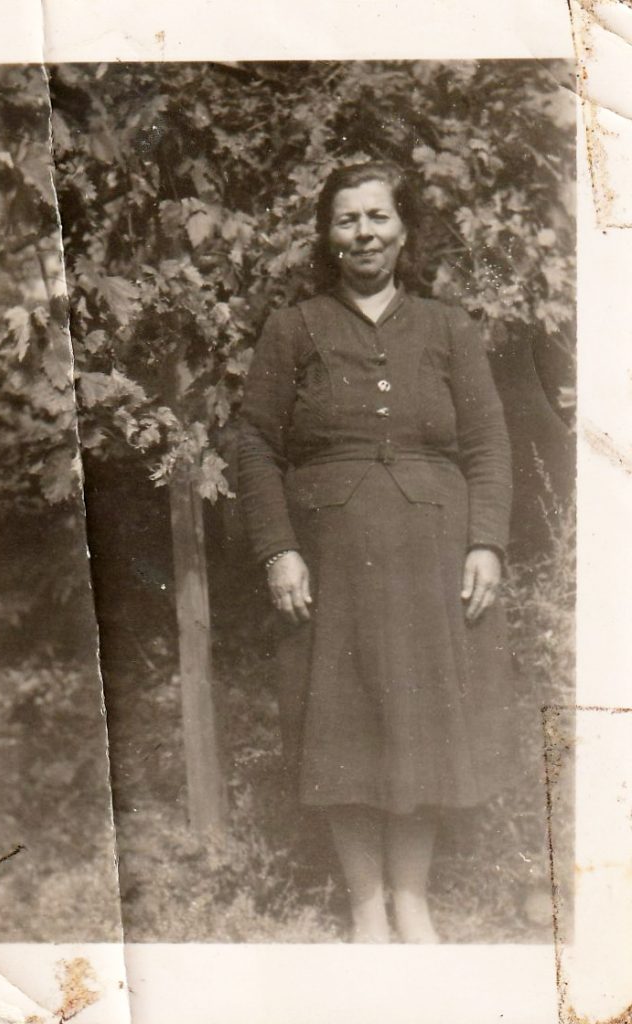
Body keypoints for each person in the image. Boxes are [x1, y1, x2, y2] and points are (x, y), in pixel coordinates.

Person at [237, 161, 514, 943]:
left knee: (423, 725)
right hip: (331, 562)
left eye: (378, 217)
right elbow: (255, 441)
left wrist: (487, 541)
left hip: (434, 555)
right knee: (343, 725)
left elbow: (490, 442)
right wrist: (278, 551)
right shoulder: (295, 327)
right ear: (328, 235)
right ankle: (365, 908)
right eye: (347, 219)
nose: (364, 232)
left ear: (403, 228)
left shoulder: (448, 326)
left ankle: (413, 901)